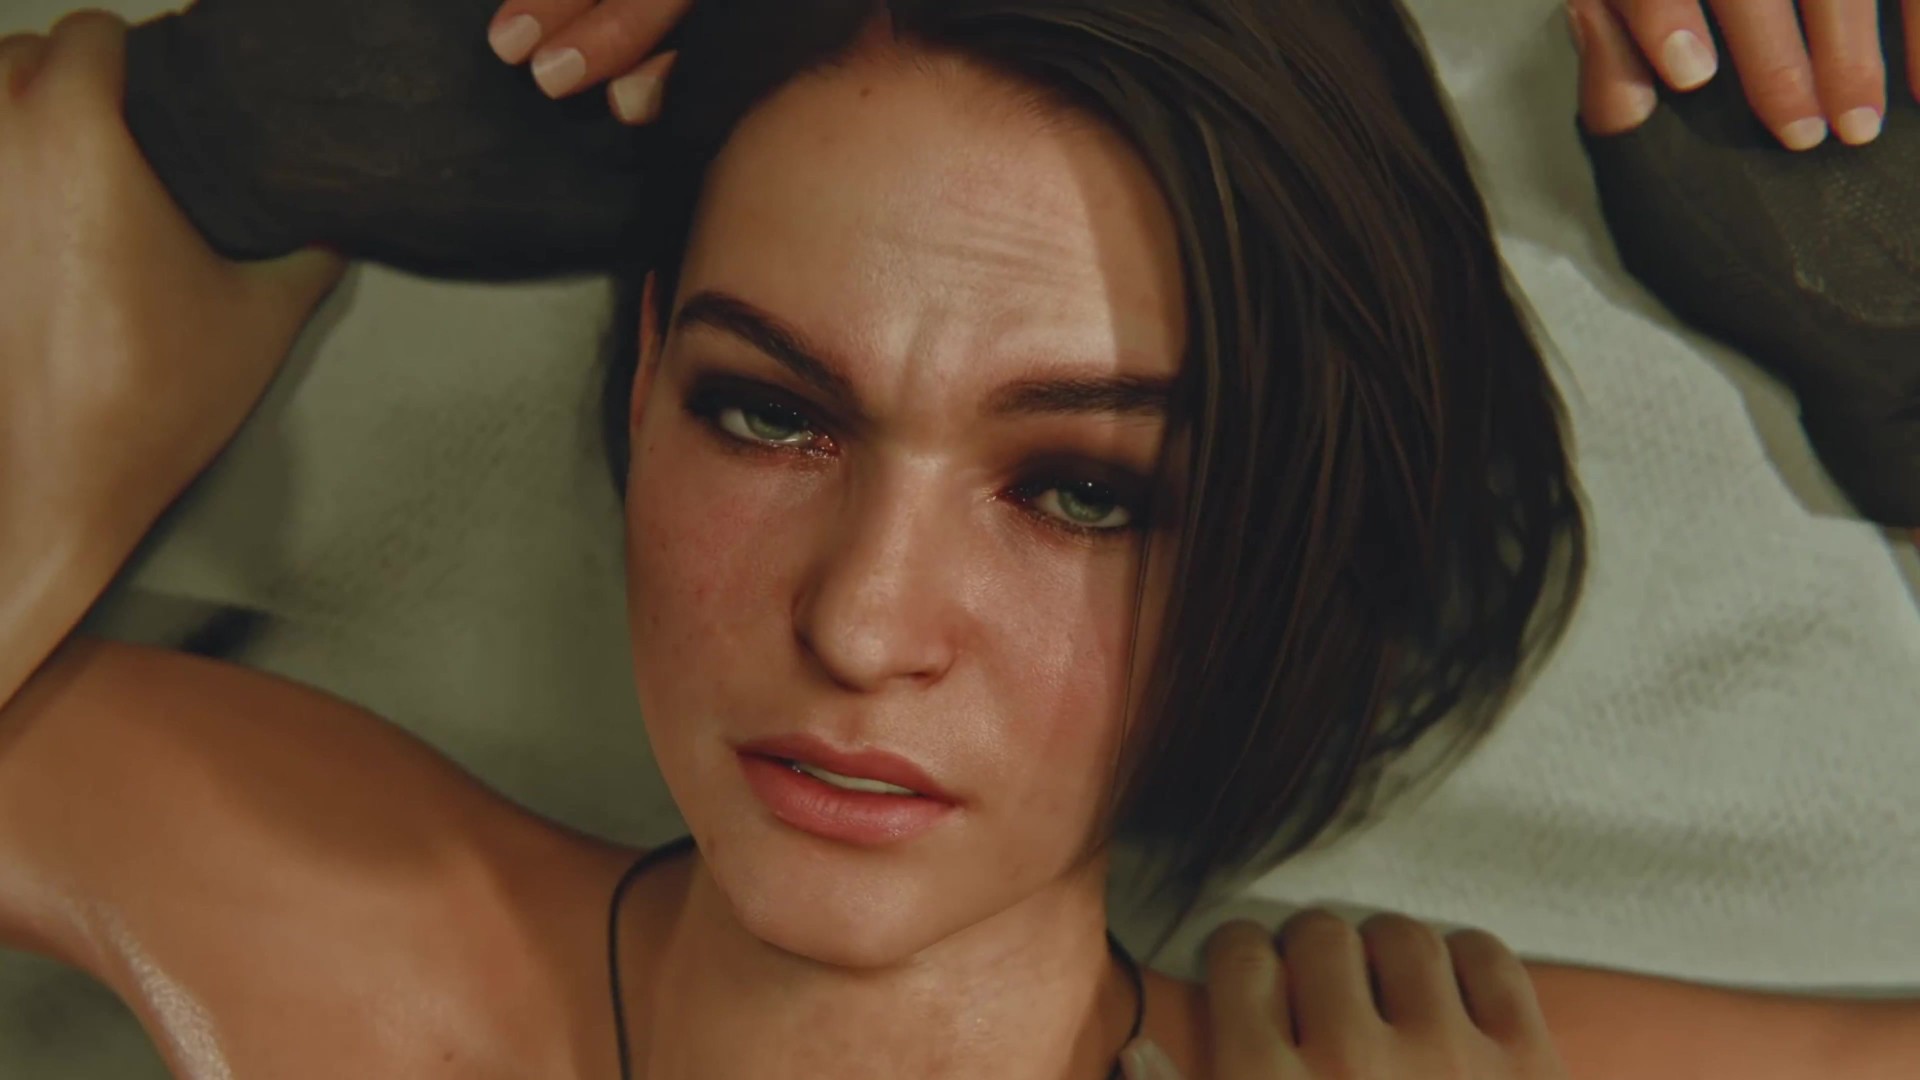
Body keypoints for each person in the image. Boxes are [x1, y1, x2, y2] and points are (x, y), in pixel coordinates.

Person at [0, 1, 1900, 1078]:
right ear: (649, 375)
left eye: (1083, 490)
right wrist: (196, 145)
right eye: (770, 412)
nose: (862, 619)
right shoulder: (310, 913)